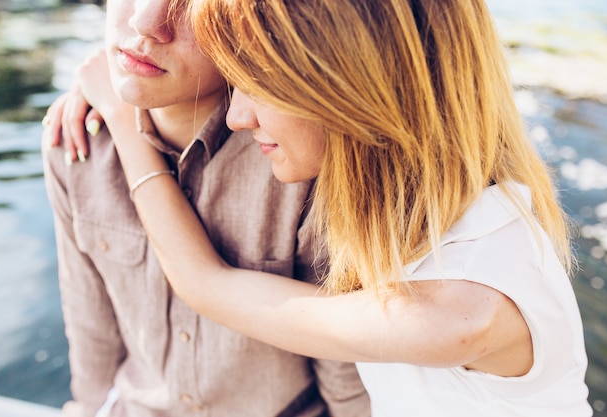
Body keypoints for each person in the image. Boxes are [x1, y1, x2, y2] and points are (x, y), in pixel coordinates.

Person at [66, 0, 592, 416]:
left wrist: (118, 113)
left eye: (258, 83)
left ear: (347, 91)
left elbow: (203, 284)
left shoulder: (461, 313)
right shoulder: (465, 218)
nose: (237, 116)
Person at [41, 0, 370, 416]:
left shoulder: (298, 156)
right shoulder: (76, 144)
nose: (147, 24)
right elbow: (92, 340)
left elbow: (344, 371)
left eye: (192, 5)